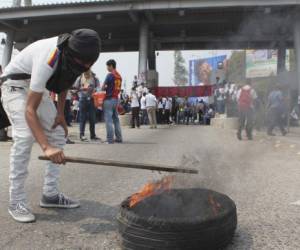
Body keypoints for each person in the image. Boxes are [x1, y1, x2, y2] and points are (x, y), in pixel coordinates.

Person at [0, 29, 101, 223]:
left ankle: (50, 194)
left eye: (90, 63)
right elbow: (30, 109)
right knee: (25, 135)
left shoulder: (77, 54)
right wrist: (46, 147)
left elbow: (64, 81)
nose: (86, 66)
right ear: (71, 54)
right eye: (83, 63)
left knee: (57, 133)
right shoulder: (51, 57)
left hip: (38, 88)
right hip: (15, 86)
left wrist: (60, 114)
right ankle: (16, 200)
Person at [73, 70, 100, 141]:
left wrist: (95, 90)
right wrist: (81, 88)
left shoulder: (94, 77)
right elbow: (75, 88)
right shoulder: (80, 77)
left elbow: (98, 87)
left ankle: (93, 135)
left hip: (92, 99)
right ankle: (82, 135)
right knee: (82, 118)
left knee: (92, 118)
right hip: (83, 99)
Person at [102, 59, 123, 144]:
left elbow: (103, 87)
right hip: (116, 100)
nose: (107, 68)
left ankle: (110, 139)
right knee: (116, 120)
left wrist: (105, 88)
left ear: (111, 66)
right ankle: (119, 138)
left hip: (109, 99)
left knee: (109, 120)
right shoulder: (119, 76)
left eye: (107, 66)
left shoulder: (110, 75)